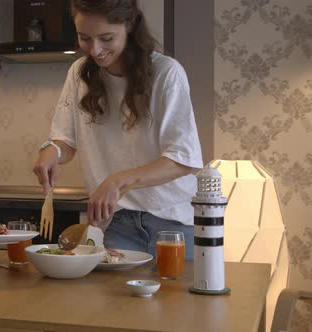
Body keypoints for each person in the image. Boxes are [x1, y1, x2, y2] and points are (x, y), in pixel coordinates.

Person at [33, 0, 203, 259]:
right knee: (115, 301)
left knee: (179, 300)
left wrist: (117, 180)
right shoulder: (79, 74)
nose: (95, 49)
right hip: (115, 225)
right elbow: (65, 140)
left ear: (130, 25)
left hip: (174, 225)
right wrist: (52, 150)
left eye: (106, 38)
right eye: (85, 38)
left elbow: (183, 160)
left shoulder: (166, 73)